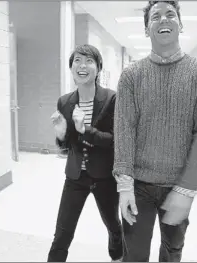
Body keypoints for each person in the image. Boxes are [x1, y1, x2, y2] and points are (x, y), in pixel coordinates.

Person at [113, 1, 197, 262]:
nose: (163, 19)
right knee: (134, 255)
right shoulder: (131, 76)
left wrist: (187, 189)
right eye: (155, 17)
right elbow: (124, 129)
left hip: (178, 183)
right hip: (139, 185)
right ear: (147, 29)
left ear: (180, 25)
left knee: (172, 253)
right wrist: (125, 185)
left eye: (170, 15)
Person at [48, 44, 123, 262]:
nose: (83, 65)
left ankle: (117, 256)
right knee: (62, 232)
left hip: (105, 177)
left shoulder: (111, 99)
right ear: (71, 67)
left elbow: (115, 140)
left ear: (98, 68)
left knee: (113, 225)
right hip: (75, 177)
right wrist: (61, 134)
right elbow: (65, 146)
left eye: (89, 61)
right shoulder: (65, 101)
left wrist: (86, 130)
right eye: (77, 60)